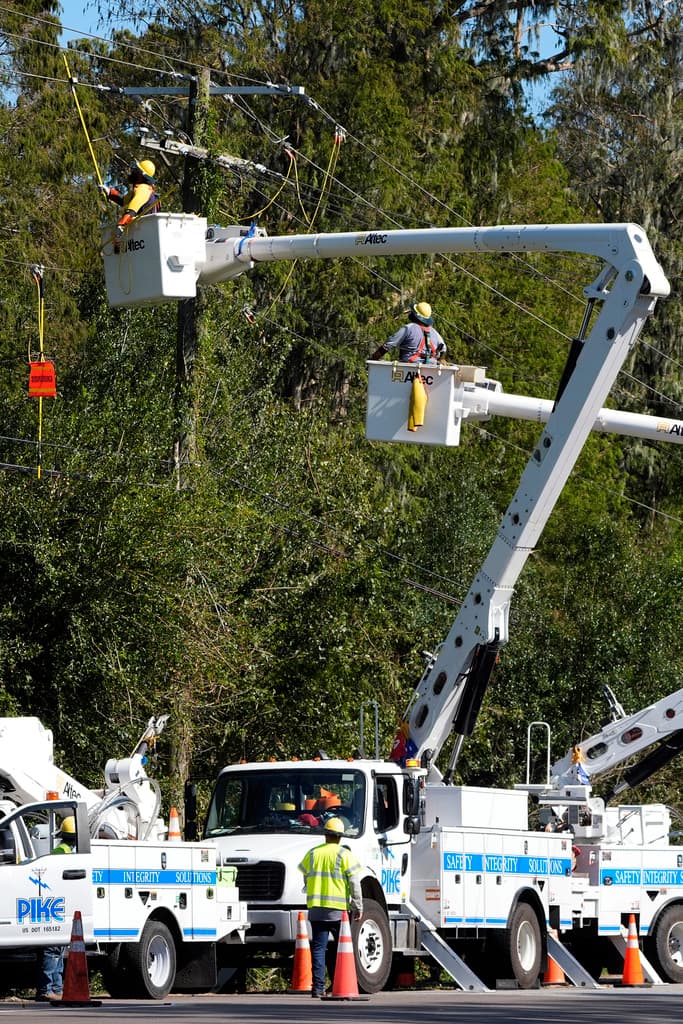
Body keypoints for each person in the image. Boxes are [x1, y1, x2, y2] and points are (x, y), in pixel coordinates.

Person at [297, 817, 363, 998]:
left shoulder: (313, 853)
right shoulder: (344, 854)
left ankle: (318, 988)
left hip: (317, 909)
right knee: (342, 949)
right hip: (338, 910)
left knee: (319, 948)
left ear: (325, 834)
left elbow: (305, 877)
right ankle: (339, 984)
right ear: (340, 837)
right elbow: (354, 883)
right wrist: (357, 905)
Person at [36, 816, 76, 1003]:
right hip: (62, 905)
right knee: (56, 949)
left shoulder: (60, 851)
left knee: (54, 949)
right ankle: (51, 989)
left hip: (55, 904)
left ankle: (52, 989)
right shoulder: (74, 853)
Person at [371, 301, 447, 364]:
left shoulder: (408, 328)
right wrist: (441, 359)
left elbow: (387, 345)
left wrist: (372, 360)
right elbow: (443, 348)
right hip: (431, 370)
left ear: (416, 315)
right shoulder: (434, 332)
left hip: (409, 368)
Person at [99, 160, 160, 238]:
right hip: (146, 230)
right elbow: (123, 200)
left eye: (136, 171)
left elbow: (132, 210)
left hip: (145, 231)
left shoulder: (142, 190)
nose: (133, 172)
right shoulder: (142, 189)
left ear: (141, 175)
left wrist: (121, 225)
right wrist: (109, 192)